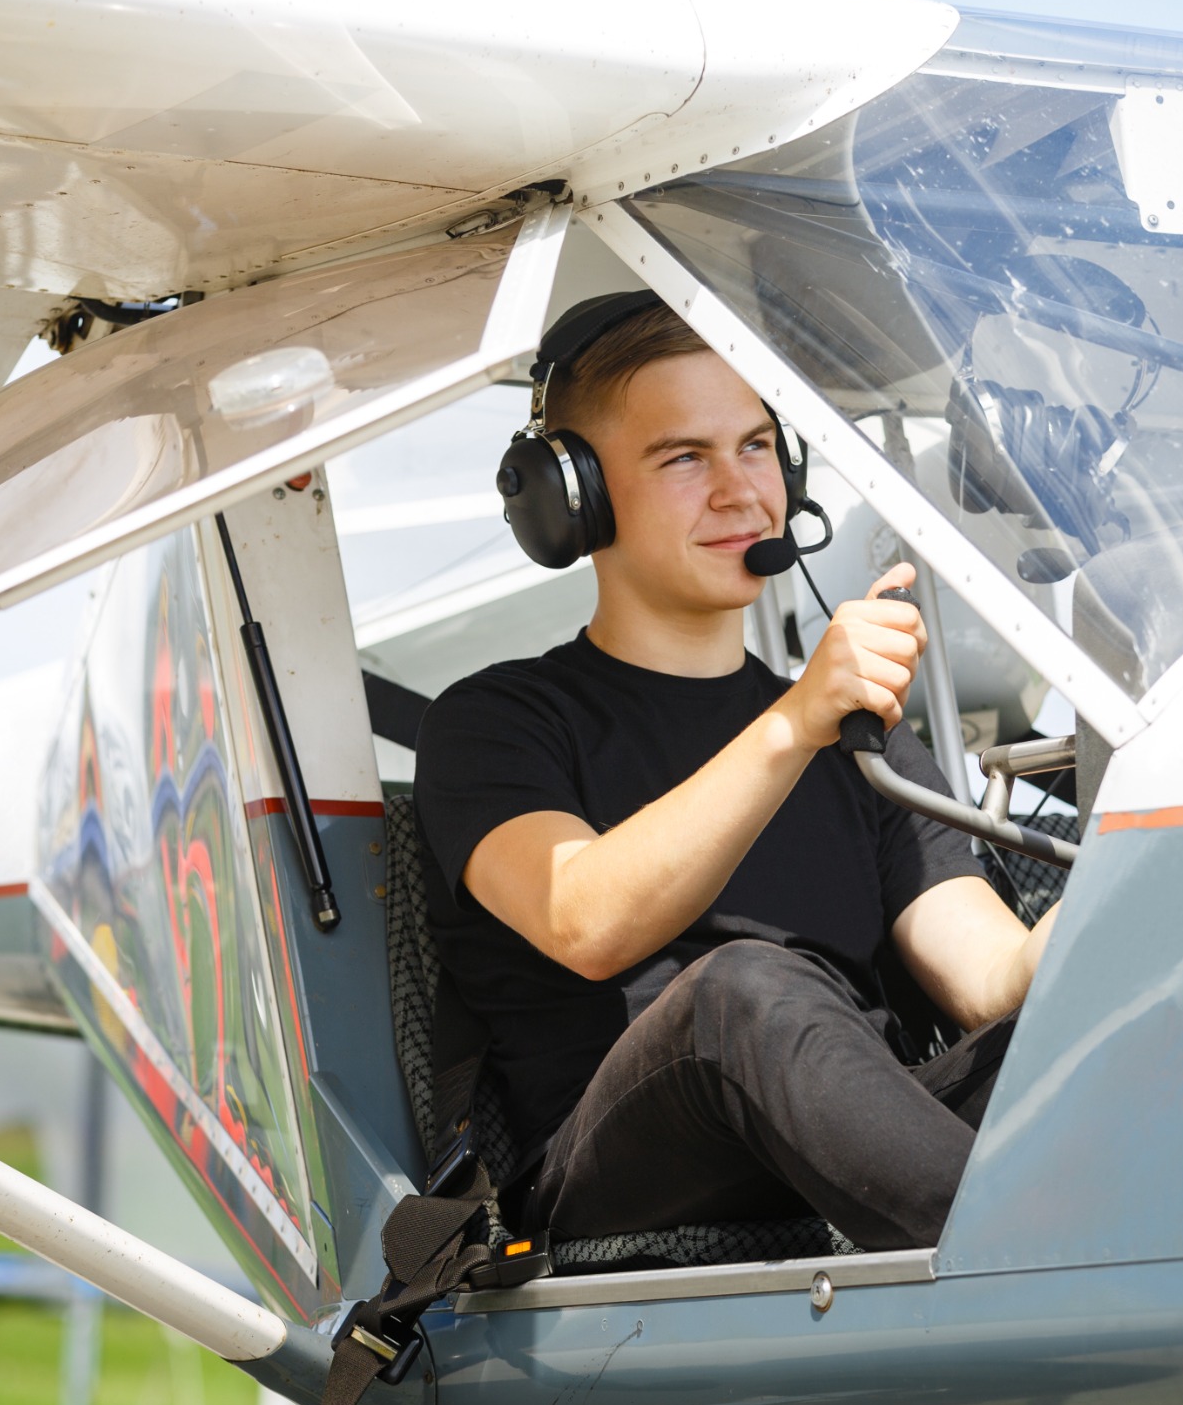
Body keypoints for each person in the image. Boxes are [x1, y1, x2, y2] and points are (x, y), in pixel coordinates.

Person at [413, 295, 1058, 1253]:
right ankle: (1040, 1267)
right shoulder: (495, 723)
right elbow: (585, 919)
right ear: (575, 498)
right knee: (743, 993)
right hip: (617, 1170)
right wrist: (796, 721)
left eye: (757, 447)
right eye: (684, 457)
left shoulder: (862, 739)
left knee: (1096, 1028)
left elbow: (996, 982)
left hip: (846, 1135)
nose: (740, 490)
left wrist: (1154, 855)